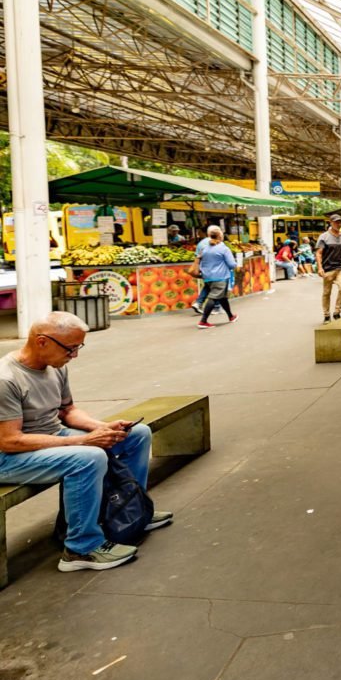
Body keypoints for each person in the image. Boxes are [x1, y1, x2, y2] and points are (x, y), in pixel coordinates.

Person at [0, 311, 173, 572]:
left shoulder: (55, 368)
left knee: (136, 435)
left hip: (49, 438)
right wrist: (85, 441)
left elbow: (68, 411)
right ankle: (80, 548)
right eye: (70, 349)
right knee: (88, 458)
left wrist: (103, 428)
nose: (74, 356)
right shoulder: (6, 379)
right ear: (42, 341)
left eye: (78, 348)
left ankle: (132, 512)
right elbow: (10, 441)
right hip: (9, 457)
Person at [196, 227, 238, 329]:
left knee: (222, 297)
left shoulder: (204, 249)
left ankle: (230, 316)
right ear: (220, 236)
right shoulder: (223, 249)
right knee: (214, 298)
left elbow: (201, 262)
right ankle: (203, 321)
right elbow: (232, 264)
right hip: (220, 277)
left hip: (207, 277)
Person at [317, 215, 341, 323]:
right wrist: (320, 268)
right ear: (331, 222)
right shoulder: (324, 237)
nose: (338, 224)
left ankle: (337, 311)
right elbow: (319, 253)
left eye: (340, 222)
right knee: (326, 292)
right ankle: (326, 315)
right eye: (336, 222)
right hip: (328, 268)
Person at [190, 226, 219, 315]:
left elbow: (197, 256)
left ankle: (198, 303)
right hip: (214, 268)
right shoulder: (217, 243)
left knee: (208, 286)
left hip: (204, 268)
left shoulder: (201, 243)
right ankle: (216, 307)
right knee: (218, 286)